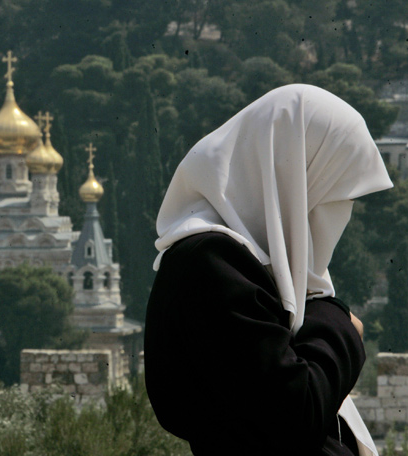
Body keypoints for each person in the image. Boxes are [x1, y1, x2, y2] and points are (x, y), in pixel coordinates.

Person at [144, 84, 392, 456]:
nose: (340, 213)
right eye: (332, 193)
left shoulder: (239, 264)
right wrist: (340, 326)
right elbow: (295, 413)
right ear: (296, 181)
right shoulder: (212, 265)